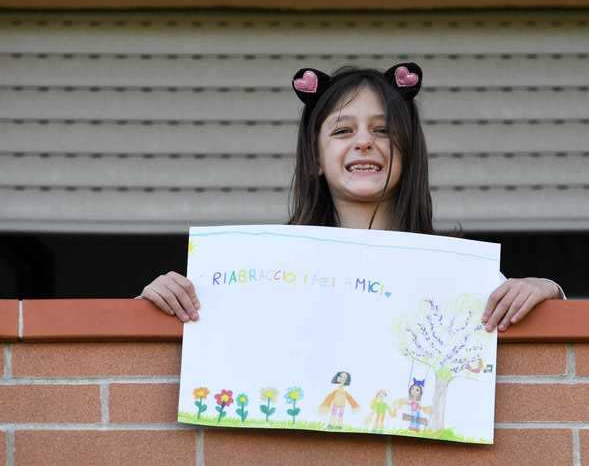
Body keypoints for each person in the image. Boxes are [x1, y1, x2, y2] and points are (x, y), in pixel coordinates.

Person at [137, 63, 565, 331]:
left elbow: (530, 335)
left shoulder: (456, 267)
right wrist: (155, 299)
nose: (364, 142)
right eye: (343, 131)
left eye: (382, 130)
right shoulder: (264, 265)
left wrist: (548, 291)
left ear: (409, 152)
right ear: (315, 159)